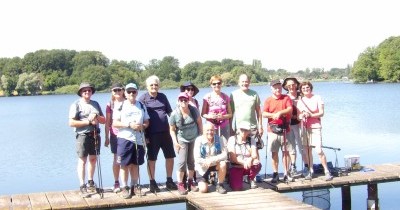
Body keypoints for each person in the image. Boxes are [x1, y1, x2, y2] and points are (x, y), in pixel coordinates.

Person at [138, 75, 178, 193]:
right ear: (147, 86)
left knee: (170, 157)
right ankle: (152, 182)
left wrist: (177, 123)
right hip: (151, 134)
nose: (154, 87)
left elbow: (170, 112)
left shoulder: (163, 96)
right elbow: (141, 117)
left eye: (156, 84)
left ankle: (169, 180)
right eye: (151, 85)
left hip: (166, 132)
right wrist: (144, 135)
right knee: (152, 159)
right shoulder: (143, 99)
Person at [112, 83, 150, 199]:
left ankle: (134, 186)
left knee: (135, 164)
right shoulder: (120, 106)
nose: (132, 94)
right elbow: (115, 123)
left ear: (137, 92)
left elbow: (147, 121)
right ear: (125, 93)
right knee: (124, 164)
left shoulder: (141, 105)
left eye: (134, 92)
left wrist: (142, 126)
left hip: (138, 140)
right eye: (129, 92)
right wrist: (129, 125)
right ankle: (124, 187)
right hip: (125, 139)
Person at [68, 82, 106, 197]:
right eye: (84, 91)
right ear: (81, 93)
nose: (87, 92)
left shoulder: (95, 104)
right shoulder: (76, 105)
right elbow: (71, 123)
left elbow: (103, 121)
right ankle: (82, 185)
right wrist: (88, 121)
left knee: (93, 159)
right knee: (82, 160)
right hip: (82, 136)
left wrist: (97, 117)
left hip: (94, 134)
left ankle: (90, 182)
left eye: (89, 90)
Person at [297, 81, 333, 181]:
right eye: (303, 88)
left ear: (311, 88)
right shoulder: (300, 101)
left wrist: (311, 115)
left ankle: (326, 171)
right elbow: (298, 115)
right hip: (304, 127)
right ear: (301, 90)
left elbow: (321, 113)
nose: (305, 90)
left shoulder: (317, 97)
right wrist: (302, 115)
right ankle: (310, 170)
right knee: (307, 150)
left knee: (318, 150)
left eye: (307, 87)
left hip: (315, 127)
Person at [169, 92, 203, 195]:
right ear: (178, 101)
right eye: (181, 100)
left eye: (185, 100)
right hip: (182, 139)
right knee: (182, 162)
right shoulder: (174, 114)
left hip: (194, 138)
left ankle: (191, 181)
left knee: (191, 161)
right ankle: (180, 183)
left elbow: (200, 123)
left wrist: (201, 136)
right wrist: (175, 142)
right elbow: (172, 129)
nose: (183, 101)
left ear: (188, 100)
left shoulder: (194, 110)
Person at [262, 79, 294, 183]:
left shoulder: (286, 98)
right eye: (275, 88)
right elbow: (264, 114)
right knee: (274, 153)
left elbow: (290, 109)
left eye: (279, 87)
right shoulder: (268, 100)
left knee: (286, 152)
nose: (278, 89)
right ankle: (275, 173)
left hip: (286, 129)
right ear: (272, 89)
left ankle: (286, 173)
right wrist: (273, 115)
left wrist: (280, 112)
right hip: (273, 130)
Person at [230, 74, 263, 156]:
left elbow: (258, 111)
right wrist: (230, 127)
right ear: (239, 82)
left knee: (255, 151)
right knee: (240, 151)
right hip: (239, 128)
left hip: (252, 128)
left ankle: (255, 168)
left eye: (246, 81)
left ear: (249, 82)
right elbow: (231, 113)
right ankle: (243, 167)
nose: (244, 83)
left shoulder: (254, 94)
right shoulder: (233, 94)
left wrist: (260, 126)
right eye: (242, 81)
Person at [194, 122, 228, 194]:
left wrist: (211, 160)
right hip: (202, 166)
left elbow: (225, 155)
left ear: (214, 131)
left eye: (212, 130)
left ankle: (220, 185)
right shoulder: (198, 140)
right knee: (203, 190)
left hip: (215, 164)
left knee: (223, 163)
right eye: (207, 130)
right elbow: (197, 158)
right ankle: (206, 180)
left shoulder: (219, 139)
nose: (210, 132)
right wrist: (206, 161)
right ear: (203, 131)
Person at [227, 121, 261, 191]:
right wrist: (243, 162)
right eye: (242, 129)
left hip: (248, 165)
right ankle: (231, 178)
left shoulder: (251, 140)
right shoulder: (232, 139)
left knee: (257, 163)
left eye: (246, 130)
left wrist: (250, 159)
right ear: (238, 129)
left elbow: (254, 155)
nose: (244, 131)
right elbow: (232, 158)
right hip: (236, 166)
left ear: (249, 131)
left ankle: (251, 178)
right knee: (237, 188)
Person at [104, 83, 125, 193]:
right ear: (112, 92)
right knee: (117, 159)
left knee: (128, 160)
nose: (117, 92)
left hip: (127, 134)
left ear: (123, 90)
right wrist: (106, 137)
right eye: (115, 90)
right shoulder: (110, 104)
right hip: (115, 135)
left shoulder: (128, 102)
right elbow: (107, 122)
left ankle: (128, 184)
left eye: (119, 90)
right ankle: (117, 182)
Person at [282, 77, 303, 177]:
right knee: (291, 147)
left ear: (296, 84)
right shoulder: (285, 97)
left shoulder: (301, 95)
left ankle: (307, 167)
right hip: (289, 125)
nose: (291, 87)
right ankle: (293, 167)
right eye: (288, 85)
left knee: (302, 146)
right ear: (286, 87)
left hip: (300, 124)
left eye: (293, 84)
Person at [201, 75, 232, 140]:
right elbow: (203, 114)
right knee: (212, 145)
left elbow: (230, 114)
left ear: (221, 84)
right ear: (211, 85)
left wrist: (223, 116)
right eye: (214, 84)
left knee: (225, 146)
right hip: (211, 126)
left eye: (218, 83)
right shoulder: (207, 97)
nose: (216, 85)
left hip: (224, 126)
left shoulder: (226, 97)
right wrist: (210, 116)